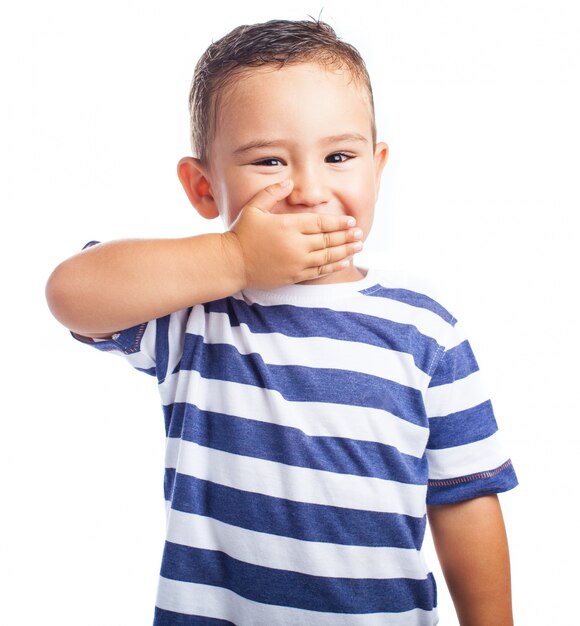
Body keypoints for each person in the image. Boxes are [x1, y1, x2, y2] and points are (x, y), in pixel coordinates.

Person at [46, 19, 517, 626]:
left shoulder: (425, 332)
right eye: (268, 160)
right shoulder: (195, 315)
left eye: (339, 156)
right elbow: (70, 291)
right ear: (202, 187)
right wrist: (234, 259)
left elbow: (465, 498)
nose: (309, 189)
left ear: (377, 168)